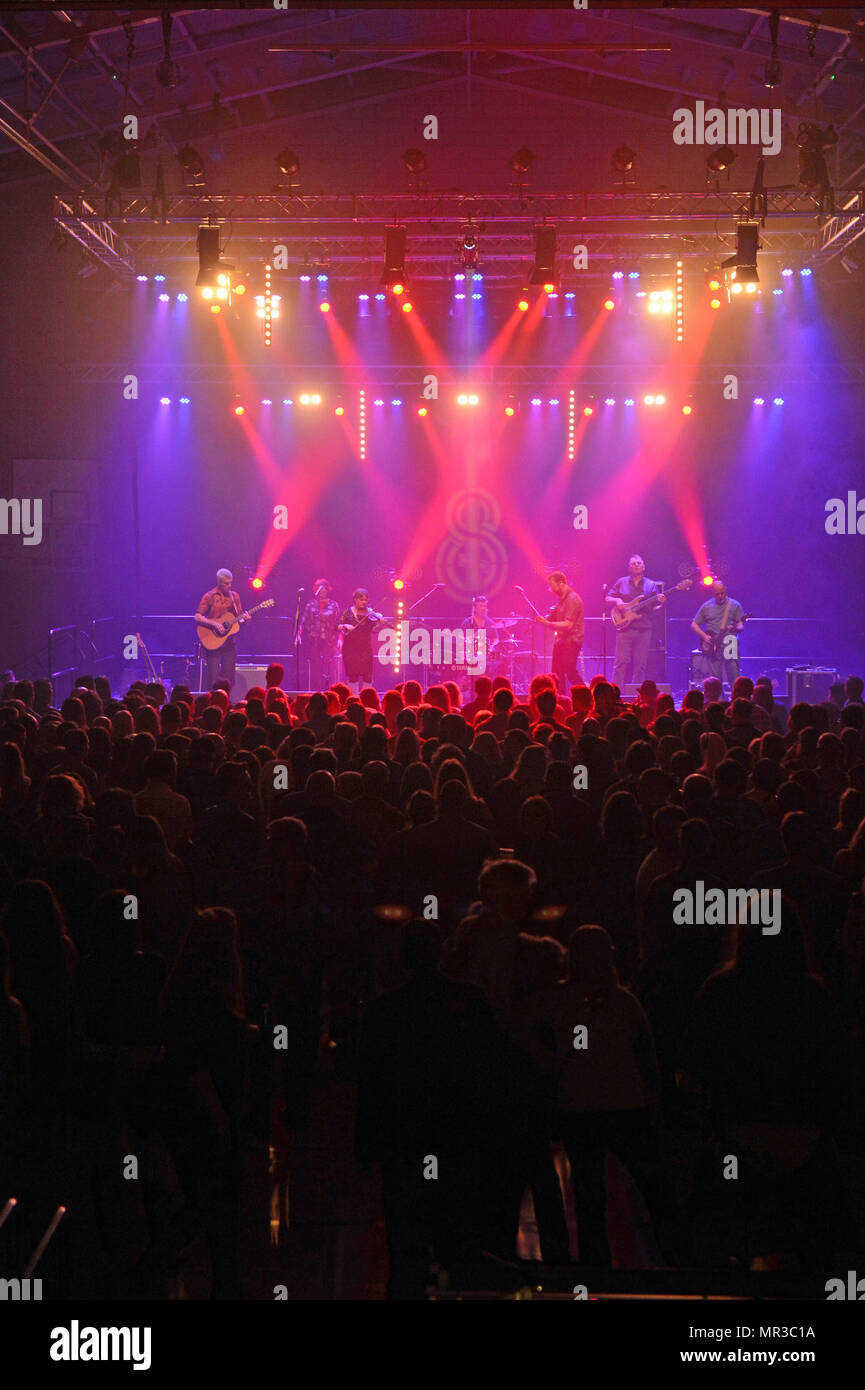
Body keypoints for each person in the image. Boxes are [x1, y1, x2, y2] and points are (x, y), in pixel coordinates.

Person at [607, 555, 667, 690]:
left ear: (644, 566)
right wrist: (617, 601)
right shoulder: (621, 582)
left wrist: (661, 604)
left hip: (643, 629)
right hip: (624, 628)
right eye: (633, 563)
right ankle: (615, 693)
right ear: (629, 567)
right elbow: (608, 598)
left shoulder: (651, 585)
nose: (637, 565)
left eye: (639, 563)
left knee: (640, 665)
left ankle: (636, 696)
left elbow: (654, 608)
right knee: (620, 663)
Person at [194, 569, 248, 692]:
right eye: (226, 583)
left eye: (231, 583)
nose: (230, 586)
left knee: (229, 679)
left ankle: (225, 704)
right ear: (219, 582)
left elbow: (239, 618)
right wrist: (214, 624)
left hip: (229, 643)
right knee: (213, 679)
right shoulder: (209, 596)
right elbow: (197, 617)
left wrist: (246, 619)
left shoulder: (235, 597)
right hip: (213, 643)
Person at [691, 580, 745, 690]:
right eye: (717, 594)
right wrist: (704, 636)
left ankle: (737, 701)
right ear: (713, 593)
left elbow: (740, 624)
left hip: (730, 643)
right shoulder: (707, 606)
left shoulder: (734, 605)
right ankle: (718, 702)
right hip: (713, 646)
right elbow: (694, 624)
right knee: (715, 679)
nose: (720, 596)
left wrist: (736, 628)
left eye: (722, 593)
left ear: (726, 591)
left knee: (734, 676)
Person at [538, 571, 584, 689]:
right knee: (556, 674)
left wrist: (549, 623)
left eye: (552, 585)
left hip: (571, 642)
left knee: (570, 672)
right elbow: (556, 615)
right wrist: (545, 619)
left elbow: (569, 624)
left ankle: (586, 695)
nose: (550, 589)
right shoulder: (562, 599)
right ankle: (561, 699)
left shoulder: (573, 599)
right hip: (561, 641)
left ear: (561, 583)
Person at [299, 579, 341, 691]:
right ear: (315, 589)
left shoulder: (334, 604)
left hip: (329, 640)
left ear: (328, 589)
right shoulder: (311, 604)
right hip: (314, 640)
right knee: (315, 667)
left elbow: (338, 623)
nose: (321, 589)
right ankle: (315, 691)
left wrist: (340, 638)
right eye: (318, 587)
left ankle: (329, 691)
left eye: (323, 587)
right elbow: (303, 621)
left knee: (328, 667)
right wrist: (298, 635)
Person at [339, 589, 383, 692]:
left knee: (367, 675)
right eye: (361, 599)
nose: (364, 602)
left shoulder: (369, 613)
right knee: (352, 676)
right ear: (355, 599)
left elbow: (374, 631)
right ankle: (353, 699)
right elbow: (336, 626)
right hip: (350, 649)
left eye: (365, 600)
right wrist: (345, 625)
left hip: (365, 649)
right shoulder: (347, 612)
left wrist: (379, 624)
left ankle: (367, 700)